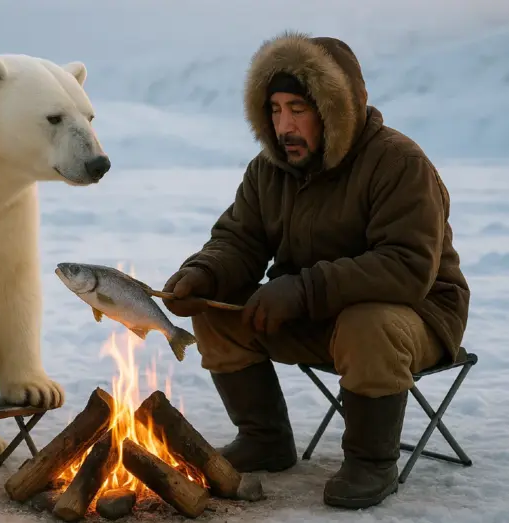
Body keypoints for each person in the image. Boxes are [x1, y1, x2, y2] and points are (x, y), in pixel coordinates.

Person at [162, 31, 470, 510]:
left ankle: (371, 461)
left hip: (418, 317)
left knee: (367, 323)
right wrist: (203, 274)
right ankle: (264, 438)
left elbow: (407, 268)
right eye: (275, 109)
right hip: (315, 313)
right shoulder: (269, 170)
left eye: (298, 109)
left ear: (334, 108)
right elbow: (238, 241)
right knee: (216, 310)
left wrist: (303, 289)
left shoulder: (398, 163)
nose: (284, 125)